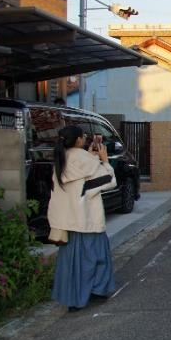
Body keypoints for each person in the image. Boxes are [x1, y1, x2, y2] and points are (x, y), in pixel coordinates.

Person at [49, 126, 117, 311]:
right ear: (79, 140)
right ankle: (96, 291)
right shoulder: (87, 160)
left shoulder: (60, 161)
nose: (85, 138)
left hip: (68, 222)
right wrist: (104, 160)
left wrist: (91, 156)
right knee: (95, 259)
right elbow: (109, 181)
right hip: (88, 220)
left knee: (72, 264)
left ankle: (73, 299)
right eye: (84, 136)